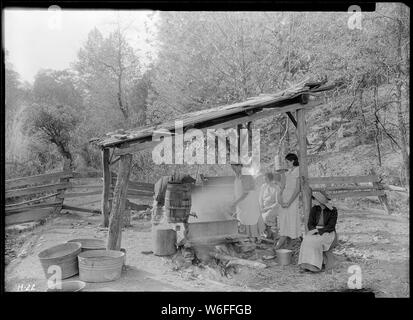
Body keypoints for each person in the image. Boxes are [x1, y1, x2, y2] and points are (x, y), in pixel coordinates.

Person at [298, 192, 338, 272]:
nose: (313, 201)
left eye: (315, 199)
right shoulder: (315, 209)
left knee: (316, 242)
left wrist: (317, 231)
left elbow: (331, 227)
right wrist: (313, 231)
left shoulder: (333, 210)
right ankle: (305, 265)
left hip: (328, 232)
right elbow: (310, 223)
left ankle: (315, 266)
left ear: (320, 200)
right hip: (315, 231)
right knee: (306, 240)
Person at [231, 163, 265, 243]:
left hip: (249, 201)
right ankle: (248, 239)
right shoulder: (238, 176)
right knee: (244, 221)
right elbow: (238, 190)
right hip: (243, 203)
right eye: (232, 168)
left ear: (240, 166)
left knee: (251, 221)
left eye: (234, 167)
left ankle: (254, 240)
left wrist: (235, 202)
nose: (233, 170)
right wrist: (235, 199)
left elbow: (246, 192)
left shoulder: (245, 175)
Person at [274, 153, 302, 251]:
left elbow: (297, 189)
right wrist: (280, 199)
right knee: (284, 218)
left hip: (293, 198)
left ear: (293, 161)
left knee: (292, 218)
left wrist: (289, 202)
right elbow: (282, 186)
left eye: (287, 162)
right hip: (285, 197)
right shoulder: (288, 172)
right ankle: (283, 238)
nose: (286, 164)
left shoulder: (299, 171)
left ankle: (294, 239)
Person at [259, 172, 282, 239]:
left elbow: (277, 203)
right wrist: (261, 207)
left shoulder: (276, 188)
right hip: (264, 207)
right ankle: (266, 233)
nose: (264, 180)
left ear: (270, 179)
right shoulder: (263, 186)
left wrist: (267, 208)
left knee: (266, 216)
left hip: (273, 208)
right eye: (264, 178)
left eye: (266, 178)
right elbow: (260, 198)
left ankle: (270, 234)